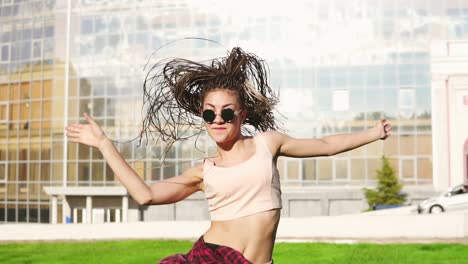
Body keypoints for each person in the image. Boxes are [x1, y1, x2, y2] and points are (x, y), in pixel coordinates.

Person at [65, 47, 391, 264]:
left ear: (242, 114)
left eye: (226, 112)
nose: (217, 119)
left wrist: (372, 133)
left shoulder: (268, 144)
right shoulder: (204, 172)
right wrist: (105, 144)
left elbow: (324, 145)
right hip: (214, 257)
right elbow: (145, 195)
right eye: (209, 114)